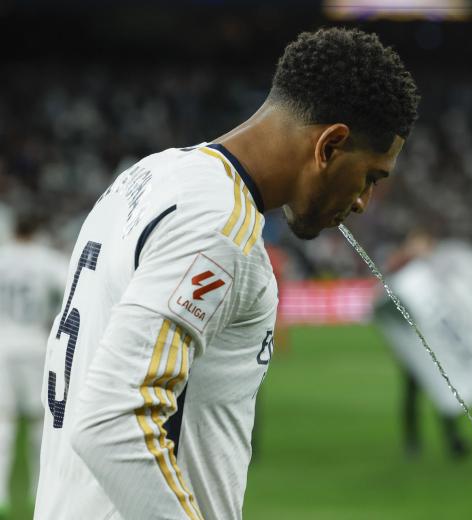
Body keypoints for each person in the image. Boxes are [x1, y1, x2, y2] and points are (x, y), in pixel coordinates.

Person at [34, 28, 419, 520]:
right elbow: (115, 419)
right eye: (370, 176)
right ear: (331, 144)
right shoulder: (219, 225)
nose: (364, 201)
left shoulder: (146, 177)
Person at [0, 211, 68, 519]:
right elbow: (71, 286)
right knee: (42, 425)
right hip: (37, 346)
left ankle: (2, 495)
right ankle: (37, 493)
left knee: (5, 423)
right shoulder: (46, 258)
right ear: (37, 230)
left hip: (3, 345)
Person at [384, 228, 469, 459]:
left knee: (445, 391)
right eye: (415, 243)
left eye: (422, 244)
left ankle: (453, 440)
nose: (419, 248)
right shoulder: (400, 270)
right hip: (413, 342)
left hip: (438, 342)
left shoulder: (438, 271)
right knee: (412, 393)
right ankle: (412, 442)